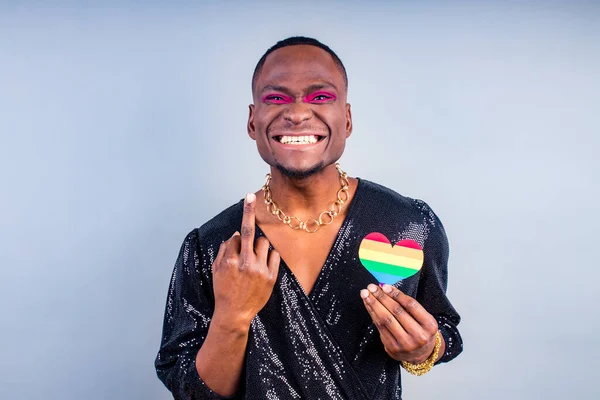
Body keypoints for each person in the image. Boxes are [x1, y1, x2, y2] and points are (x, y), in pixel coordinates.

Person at [155, 36, 463, 400]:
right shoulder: (213, 246)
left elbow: (443, 329)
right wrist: (232, 317)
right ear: (253, 122)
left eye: (320, 97)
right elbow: (192, 390)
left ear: (346, 119)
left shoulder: (407, 225)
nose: (297, 113)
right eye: (275, 98)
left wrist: (423, 351)